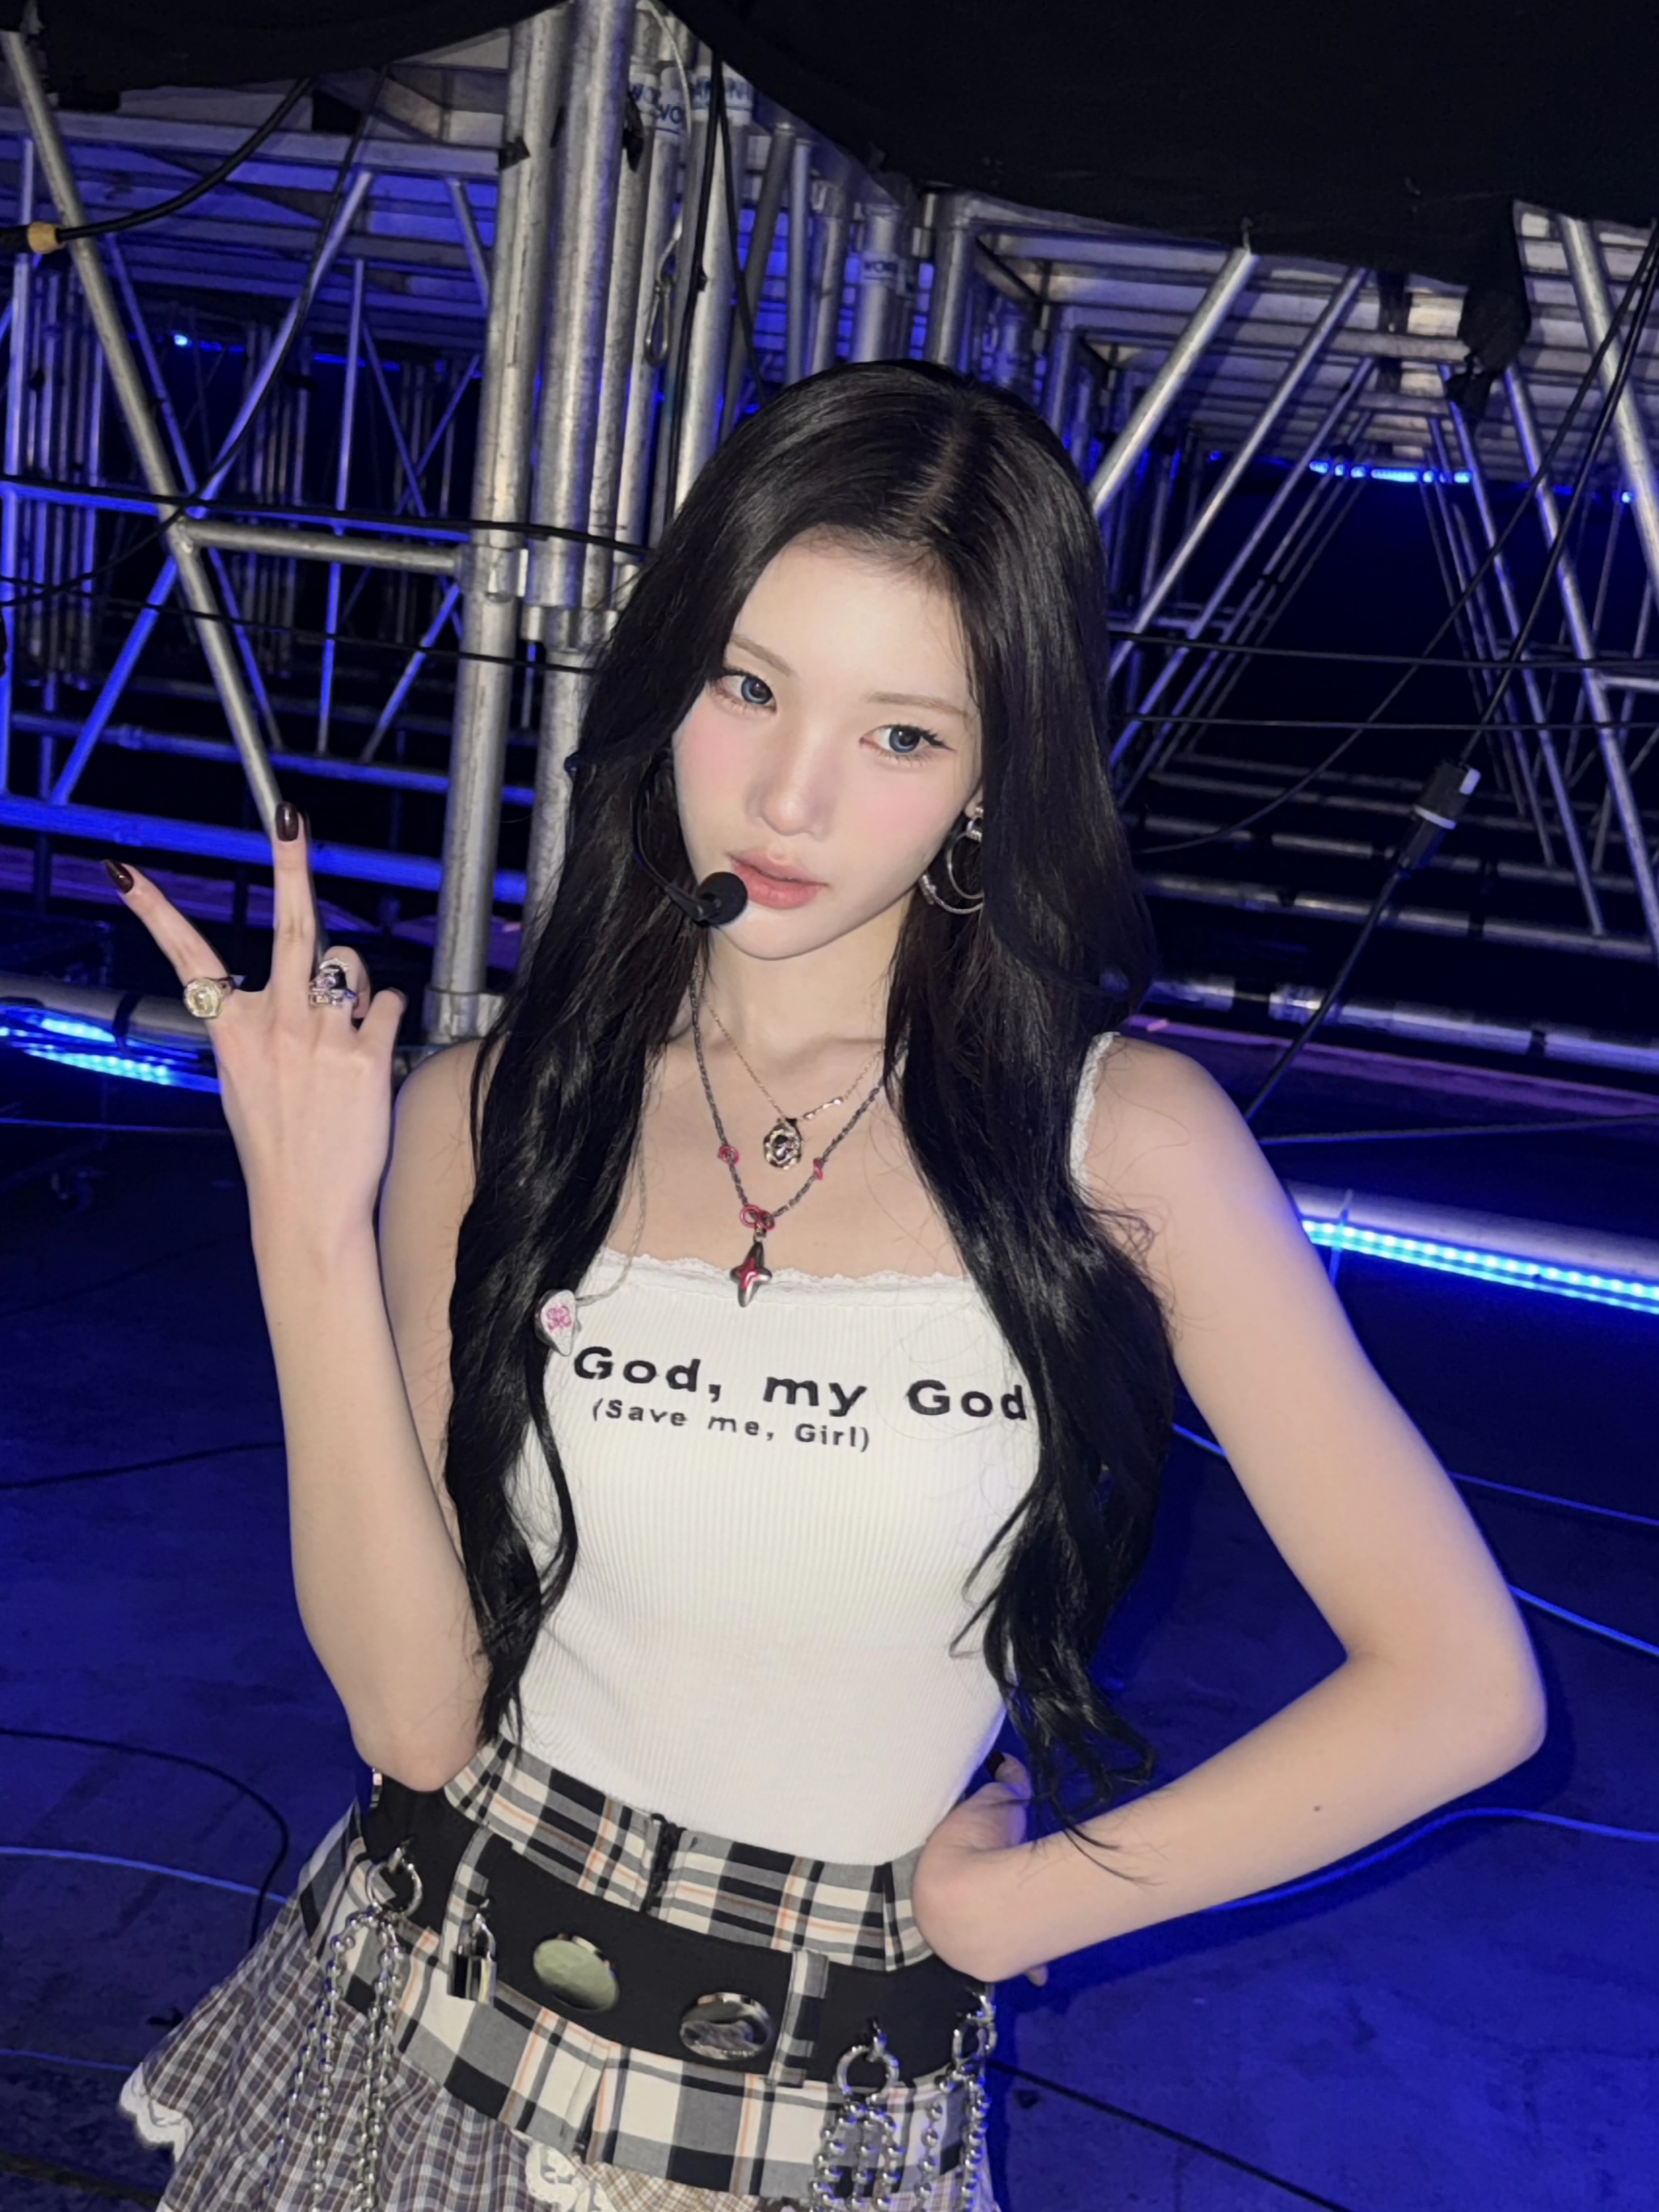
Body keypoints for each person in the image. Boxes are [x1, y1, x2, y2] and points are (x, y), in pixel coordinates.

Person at [106, 360, 1546, 2212]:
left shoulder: (1120, 1146)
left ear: (992, 776)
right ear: (669, 680)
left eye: (901, 734)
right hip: (410, 2037)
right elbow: (412, 1719)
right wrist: (306, 1224)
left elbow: (1459, 1683)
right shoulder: (493, 1109)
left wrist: (1035, 1903)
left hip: (806, 2125)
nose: (790, 797)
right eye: (749, 687)